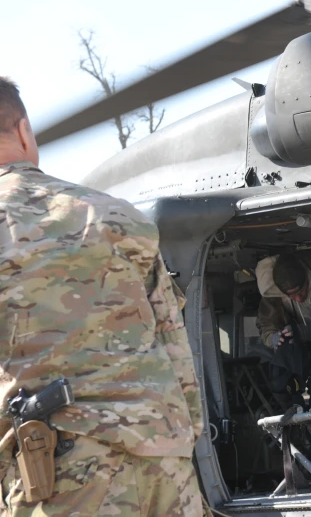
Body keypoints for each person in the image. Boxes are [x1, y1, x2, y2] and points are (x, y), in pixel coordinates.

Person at [0, 77, 205, 516]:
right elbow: (174, 342)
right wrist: (184, 441)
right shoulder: (114, 213)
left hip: (62, 477)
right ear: (23, 131)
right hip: (164, 464)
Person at [255, 253, 311, 406]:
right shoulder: (273, 295)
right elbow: (267, 324)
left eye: (301, 292)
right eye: (292, 296)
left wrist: (305, 332)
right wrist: (274, 338)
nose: (299, 299)